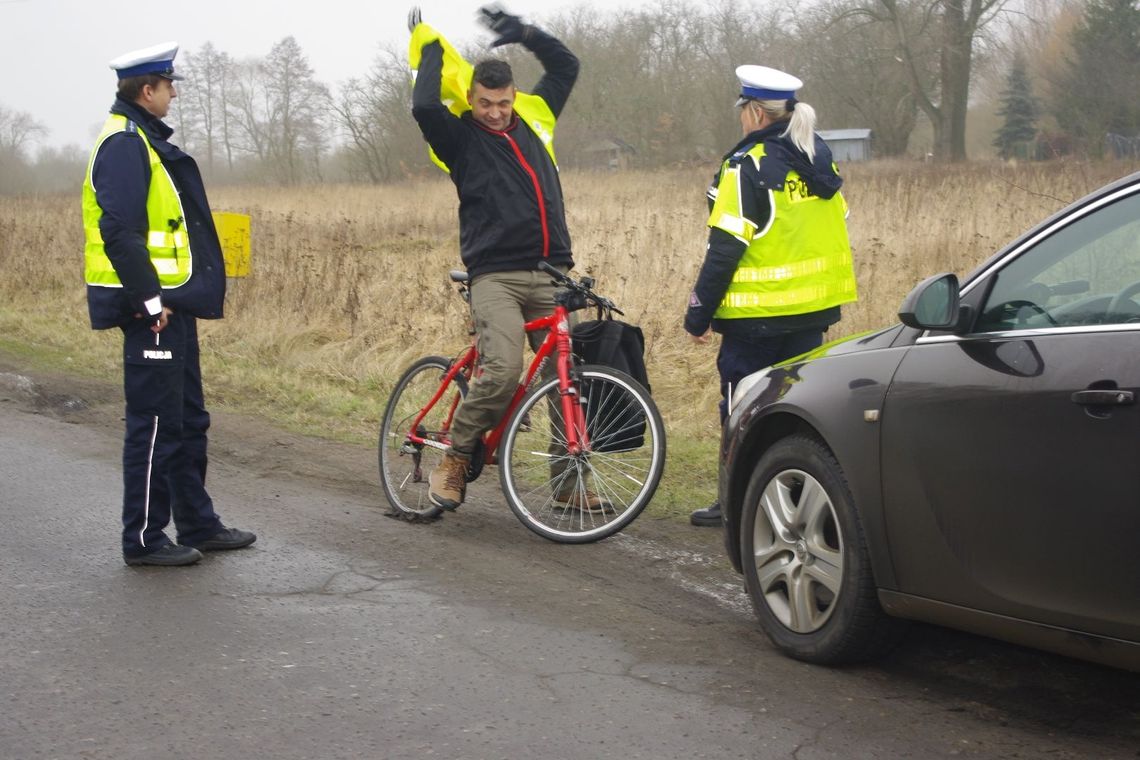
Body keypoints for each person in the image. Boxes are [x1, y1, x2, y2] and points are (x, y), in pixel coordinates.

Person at [409, 5, 604, 513]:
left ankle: (567, 484)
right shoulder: (459, 138)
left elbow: (567, 66)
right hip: (494, 273)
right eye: (484, 102)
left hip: (552, 270)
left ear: (514, 96)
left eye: (502, 101)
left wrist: (523, 34)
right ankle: (455, 457)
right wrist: (429, 48)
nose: (495, 111)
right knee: (502, 370)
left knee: (566, 377)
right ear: (470, 99)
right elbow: (424, 106)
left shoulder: (536, 120)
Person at [82, 41, 256, 565]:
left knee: (186, 418)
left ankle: (197, 525)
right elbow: (118, 231)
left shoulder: (145, 141)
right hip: (150, 309)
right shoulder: (124, 145)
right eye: (169, 85)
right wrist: (151, 300)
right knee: (154, 424)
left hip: (171, 304)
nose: (174, 93)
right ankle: (144, 540)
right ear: (147, 90)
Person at [684, 65, 858, 527]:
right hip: (813, 312)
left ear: (756, 112)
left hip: (756, 320)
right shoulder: (819, 158)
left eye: (743, 110)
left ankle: (735, 504)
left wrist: (697, 316)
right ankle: (800, 499)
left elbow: (724, 249)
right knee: (800, 412)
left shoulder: (747, 165)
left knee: (742, 411)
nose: (741, 118)